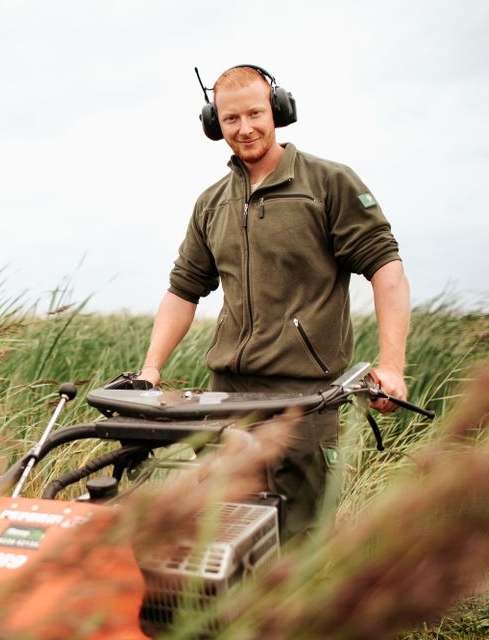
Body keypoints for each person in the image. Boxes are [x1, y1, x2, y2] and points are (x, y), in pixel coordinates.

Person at [137, 65, 411, 542]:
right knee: (224, 541)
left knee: (299, 547)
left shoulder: (328, 183)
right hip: (225, 400)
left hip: (303, 402)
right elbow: (183, 289)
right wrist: (151, 369)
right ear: (213, 124)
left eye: (255, 113)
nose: (245, 129)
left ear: (278, 110)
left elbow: (386, 269)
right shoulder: (211, 203)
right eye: (230, 119)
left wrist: (392, 365)